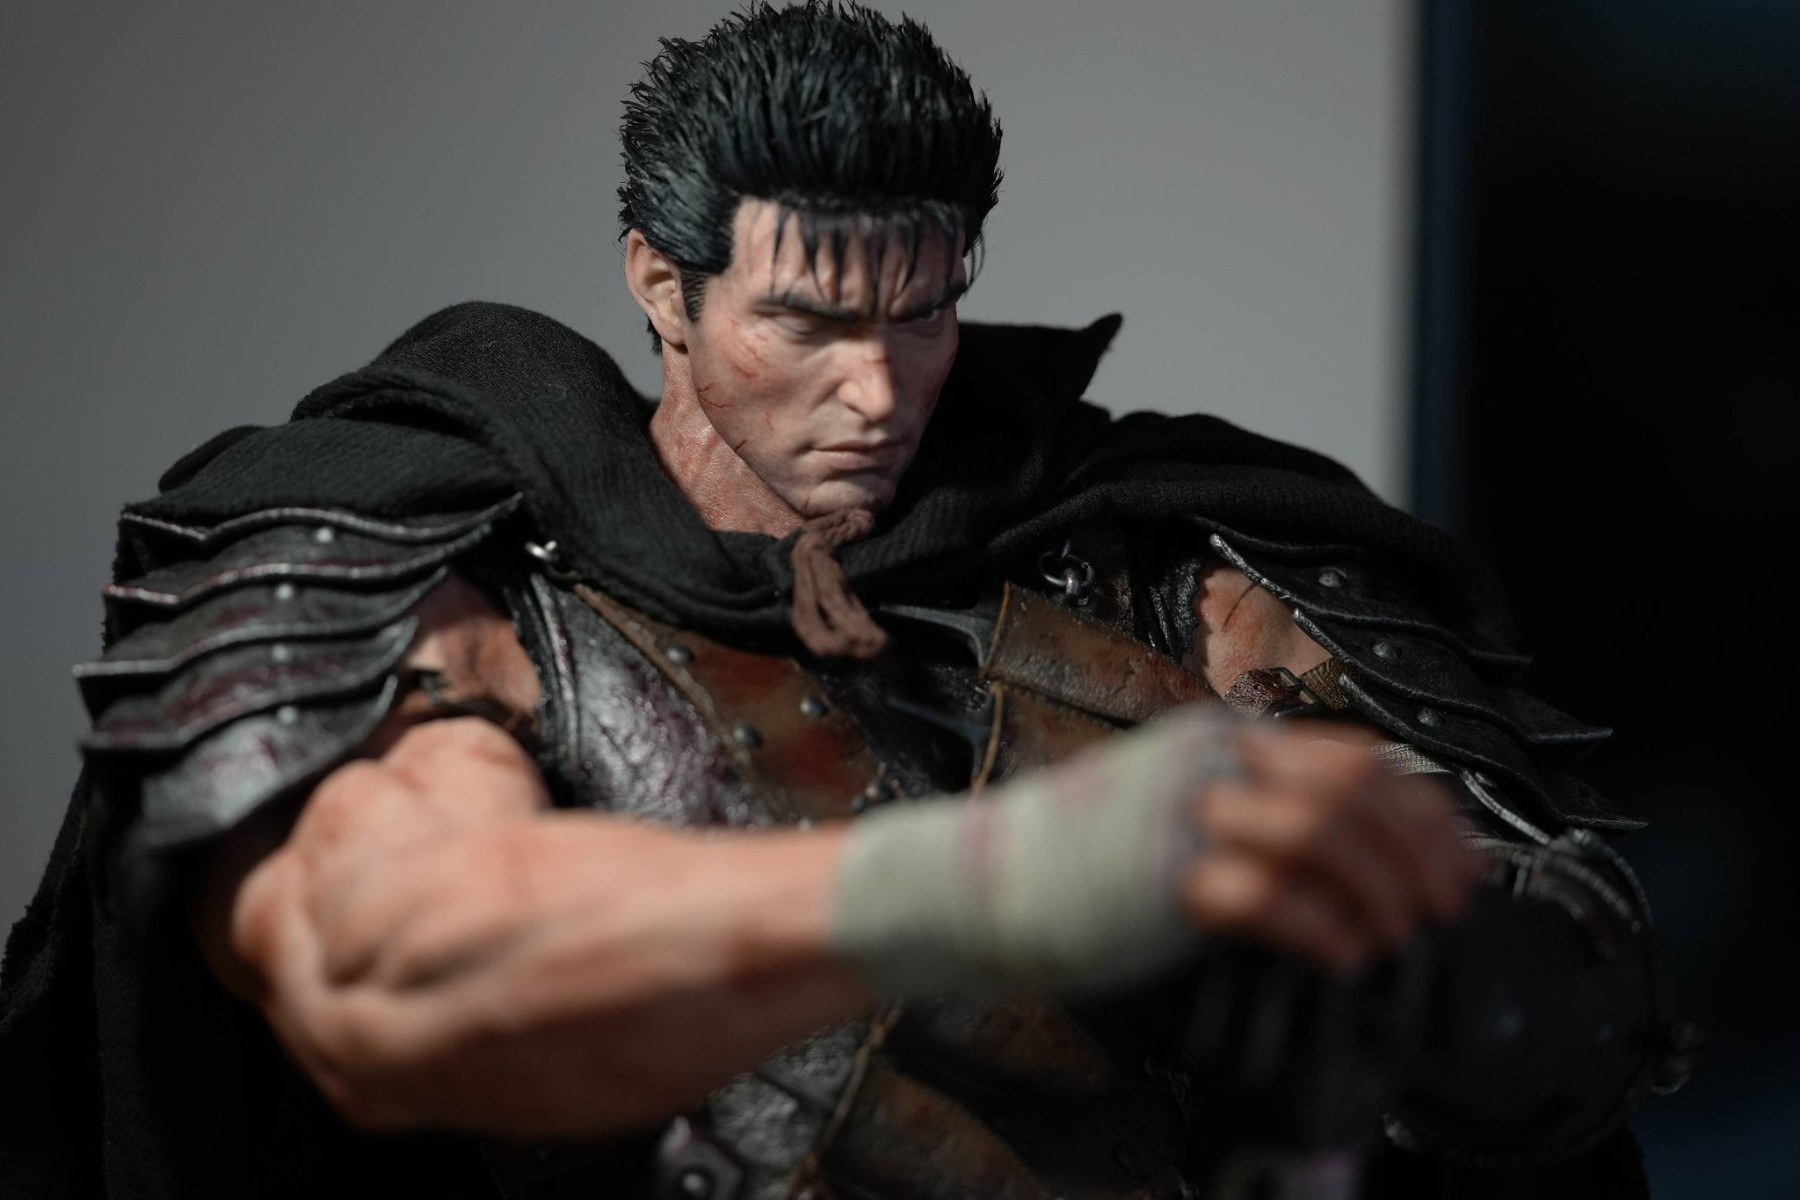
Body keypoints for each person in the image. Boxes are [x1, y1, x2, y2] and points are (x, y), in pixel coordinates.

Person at [0, 4, 1682, 1198]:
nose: (877, 394)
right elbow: (385, 971)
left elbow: (1537, 1000)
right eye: (806, 324)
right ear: (662, 284)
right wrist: (983, 885)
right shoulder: (436, 567)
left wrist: (1448, 965)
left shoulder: (1154, 557)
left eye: (923, 317)